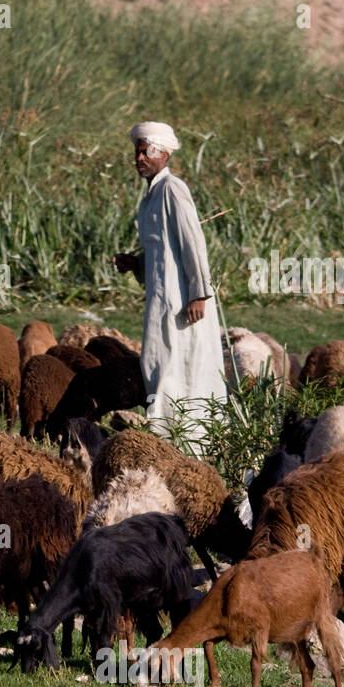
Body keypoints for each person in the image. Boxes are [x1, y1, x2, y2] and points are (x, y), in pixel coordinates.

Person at [113, 122, 226, 451]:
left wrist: (199, 294)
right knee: (160, 364)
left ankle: (192, 442)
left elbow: (193, 243)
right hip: (161, 299)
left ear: (163, 154)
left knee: (182, 366)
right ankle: (167, 440)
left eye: (145, 152)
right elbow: (164, 252)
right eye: (137, 152)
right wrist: (136, 264)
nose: (139, 158)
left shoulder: (173, 189)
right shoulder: (150, 198)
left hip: (184, 302)